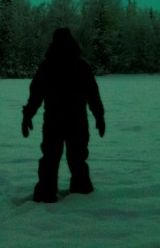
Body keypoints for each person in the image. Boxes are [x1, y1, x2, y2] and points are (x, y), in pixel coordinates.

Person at [21, 27, 106, 203]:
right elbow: (93, 94)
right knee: (77, 158)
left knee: (51, 158)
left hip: (54, 121)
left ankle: (46, 192)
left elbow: (36, 94)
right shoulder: (81, 66)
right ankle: (81, 190)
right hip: (76, 121)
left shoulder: (47, 66)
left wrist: (28, 115)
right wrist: (99, 116)